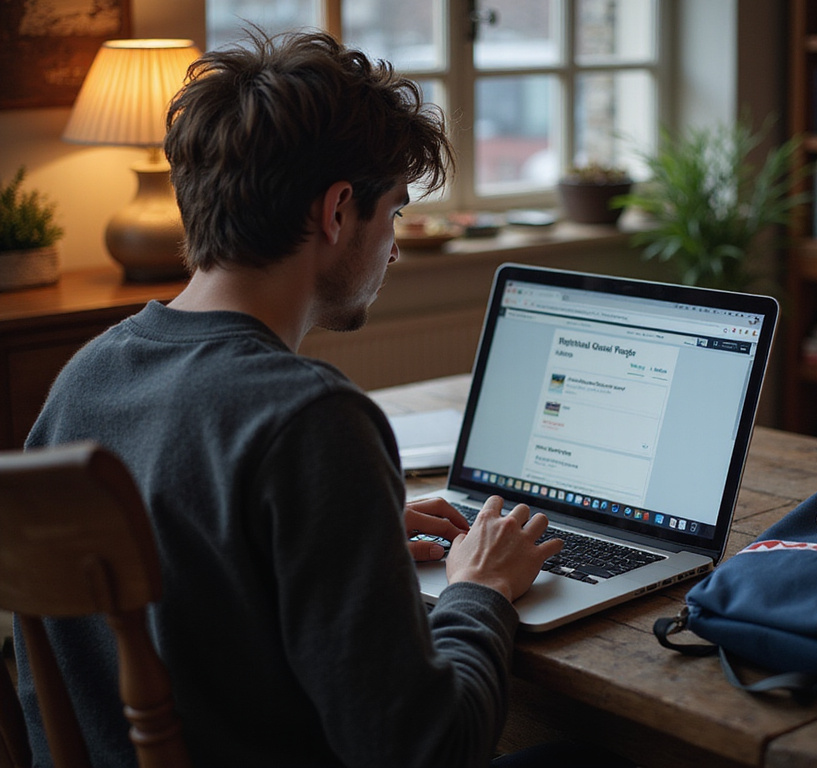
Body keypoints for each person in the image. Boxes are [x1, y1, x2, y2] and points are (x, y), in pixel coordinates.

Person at [16, 28, 566, 768]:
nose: (394, 248)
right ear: (338, 211)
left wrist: (334, 532)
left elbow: (166, 559)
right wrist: (483, 589)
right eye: (394, 213)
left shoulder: (86, 377)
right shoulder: (309, 419)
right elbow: (429, 750)